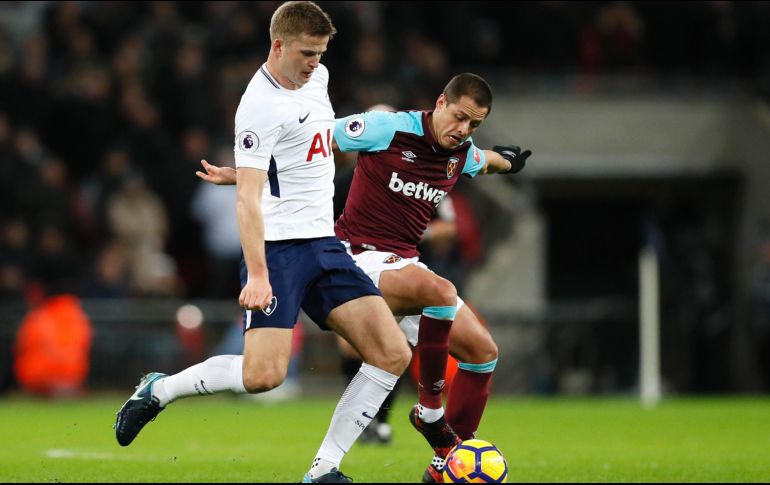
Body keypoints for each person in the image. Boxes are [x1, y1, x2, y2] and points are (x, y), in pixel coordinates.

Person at [113, 3, 412, 484]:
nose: (315, 62)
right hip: (280, 252)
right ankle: (160, 389)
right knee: (263, 377)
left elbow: (315, 146)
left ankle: (323, 470)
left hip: (325, 242)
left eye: (320, 53)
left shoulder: (318, 79)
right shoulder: (257, 106)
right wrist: (257, 273)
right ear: (279, 45)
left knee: (393, 353)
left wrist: (261, 169)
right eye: (307, 53)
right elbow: (248, 204)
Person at [198, 73, 532, 483]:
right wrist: (242, 173)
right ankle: (429, 412)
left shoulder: (460, 153)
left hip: (404, 263)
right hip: (357, 257)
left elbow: (487, 161)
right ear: (441, 103)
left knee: (483, 353)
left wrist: (509, 160)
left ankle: (448, 461)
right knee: (441, 291)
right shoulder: (386, 128)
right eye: (460, 117)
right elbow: (313, 146)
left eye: (474, 124)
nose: (463, 130)